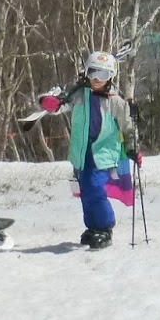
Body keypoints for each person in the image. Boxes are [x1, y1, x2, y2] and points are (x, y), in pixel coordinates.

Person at [41, 50, 139, 249]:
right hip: (81, 152)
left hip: (103, 152)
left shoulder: (115, 102)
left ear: (110, 77)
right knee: (85, 190)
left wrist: (132, 148)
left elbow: (128, 126)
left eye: (103, 75)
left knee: (95, 187)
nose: (97, 79)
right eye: (93, 73)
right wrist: (50, 103)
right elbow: (61, 105)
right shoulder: (79, 94)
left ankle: (105, 227)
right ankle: (93, 227)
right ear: (86, 72)